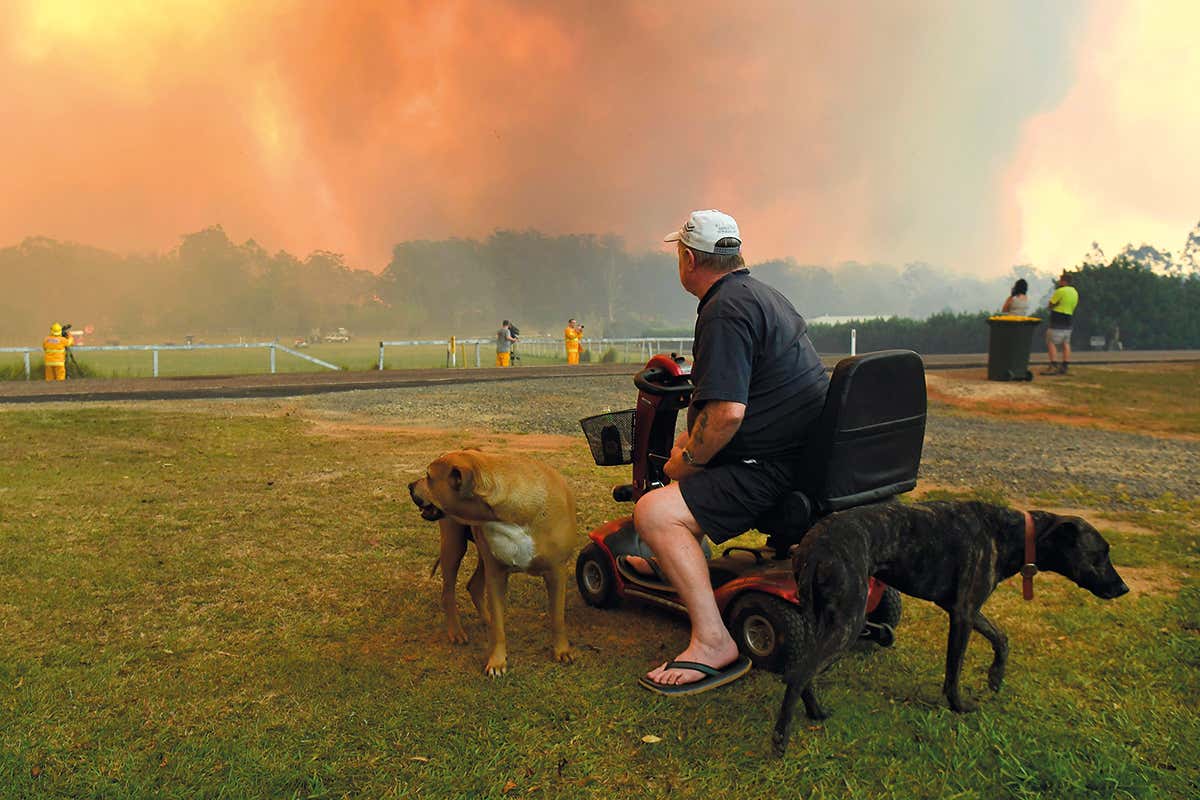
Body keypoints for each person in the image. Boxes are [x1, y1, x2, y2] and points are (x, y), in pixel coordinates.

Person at [629, 209, 830, 695]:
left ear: (689, 259)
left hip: (773, 469)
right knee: (689, 466)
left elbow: (726, 415)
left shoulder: (723, 310)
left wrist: (687, 461)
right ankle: (675, 561)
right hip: (808, 456)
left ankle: (713, 642)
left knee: (653, 511)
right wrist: (695, 447)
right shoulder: (762, 294)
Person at [1044, 273, 1078, 375]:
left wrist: (1053, 306)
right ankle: (1065, 365)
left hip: (1057, 318)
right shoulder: (1075, 292)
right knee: (1066, 342)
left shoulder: (1060, 291)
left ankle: (1053, 364)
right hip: (1069, 318)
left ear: (1063, 281)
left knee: (1051, 341)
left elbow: (1050, 305)